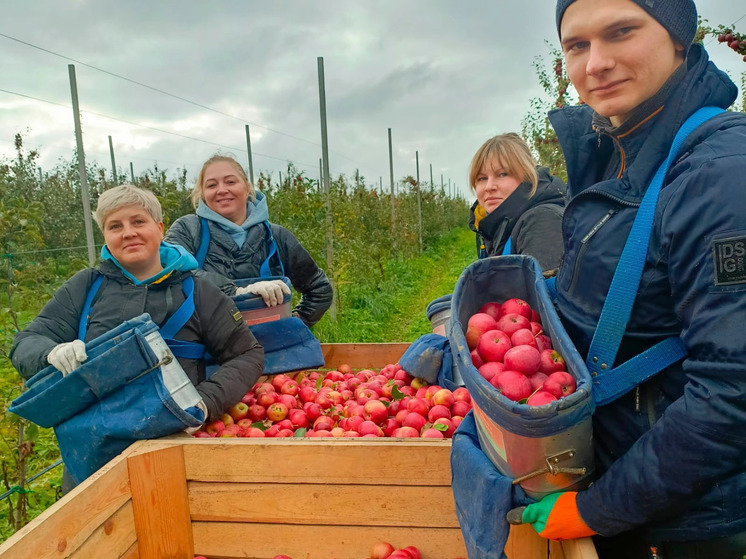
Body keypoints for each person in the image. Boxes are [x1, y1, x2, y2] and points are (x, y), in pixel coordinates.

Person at [453, 0, 746, 557]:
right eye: (577, 45)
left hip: (682, 517)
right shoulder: (622, 156)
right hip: (623, 479)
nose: (596, 63)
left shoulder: (721, 173)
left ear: (681, 39)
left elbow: (733, 390)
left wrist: (595, 508)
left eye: (622, 32)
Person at [10, 185, 264, 487]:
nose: (127, 232)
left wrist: (204, 403)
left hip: (174, 449)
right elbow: (28, 341)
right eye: (115, 226)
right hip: (96, 459)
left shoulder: (196, 290)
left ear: (159, 228)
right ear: (105, 236)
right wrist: (49, 353)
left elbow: (247, 353)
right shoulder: (87, 287)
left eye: (138, 221)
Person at [164, 155, 333, 328]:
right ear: (203, 195)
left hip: (270, 349)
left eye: (230, 182)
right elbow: (171, 272)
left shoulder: (276, 237)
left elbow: (320, 289)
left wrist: (294, 325)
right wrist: (238, 292)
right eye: (211, 185)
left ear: (246, 187)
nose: (221, 190)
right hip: (209, 351)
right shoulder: (188, 230)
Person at [467, 133, 565, 272]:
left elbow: (541, 292)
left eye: (502, 174)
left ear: (527, 177)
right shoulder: (500, 225)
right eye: (482, 178)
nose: (489, 186)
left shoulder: (542, 222)